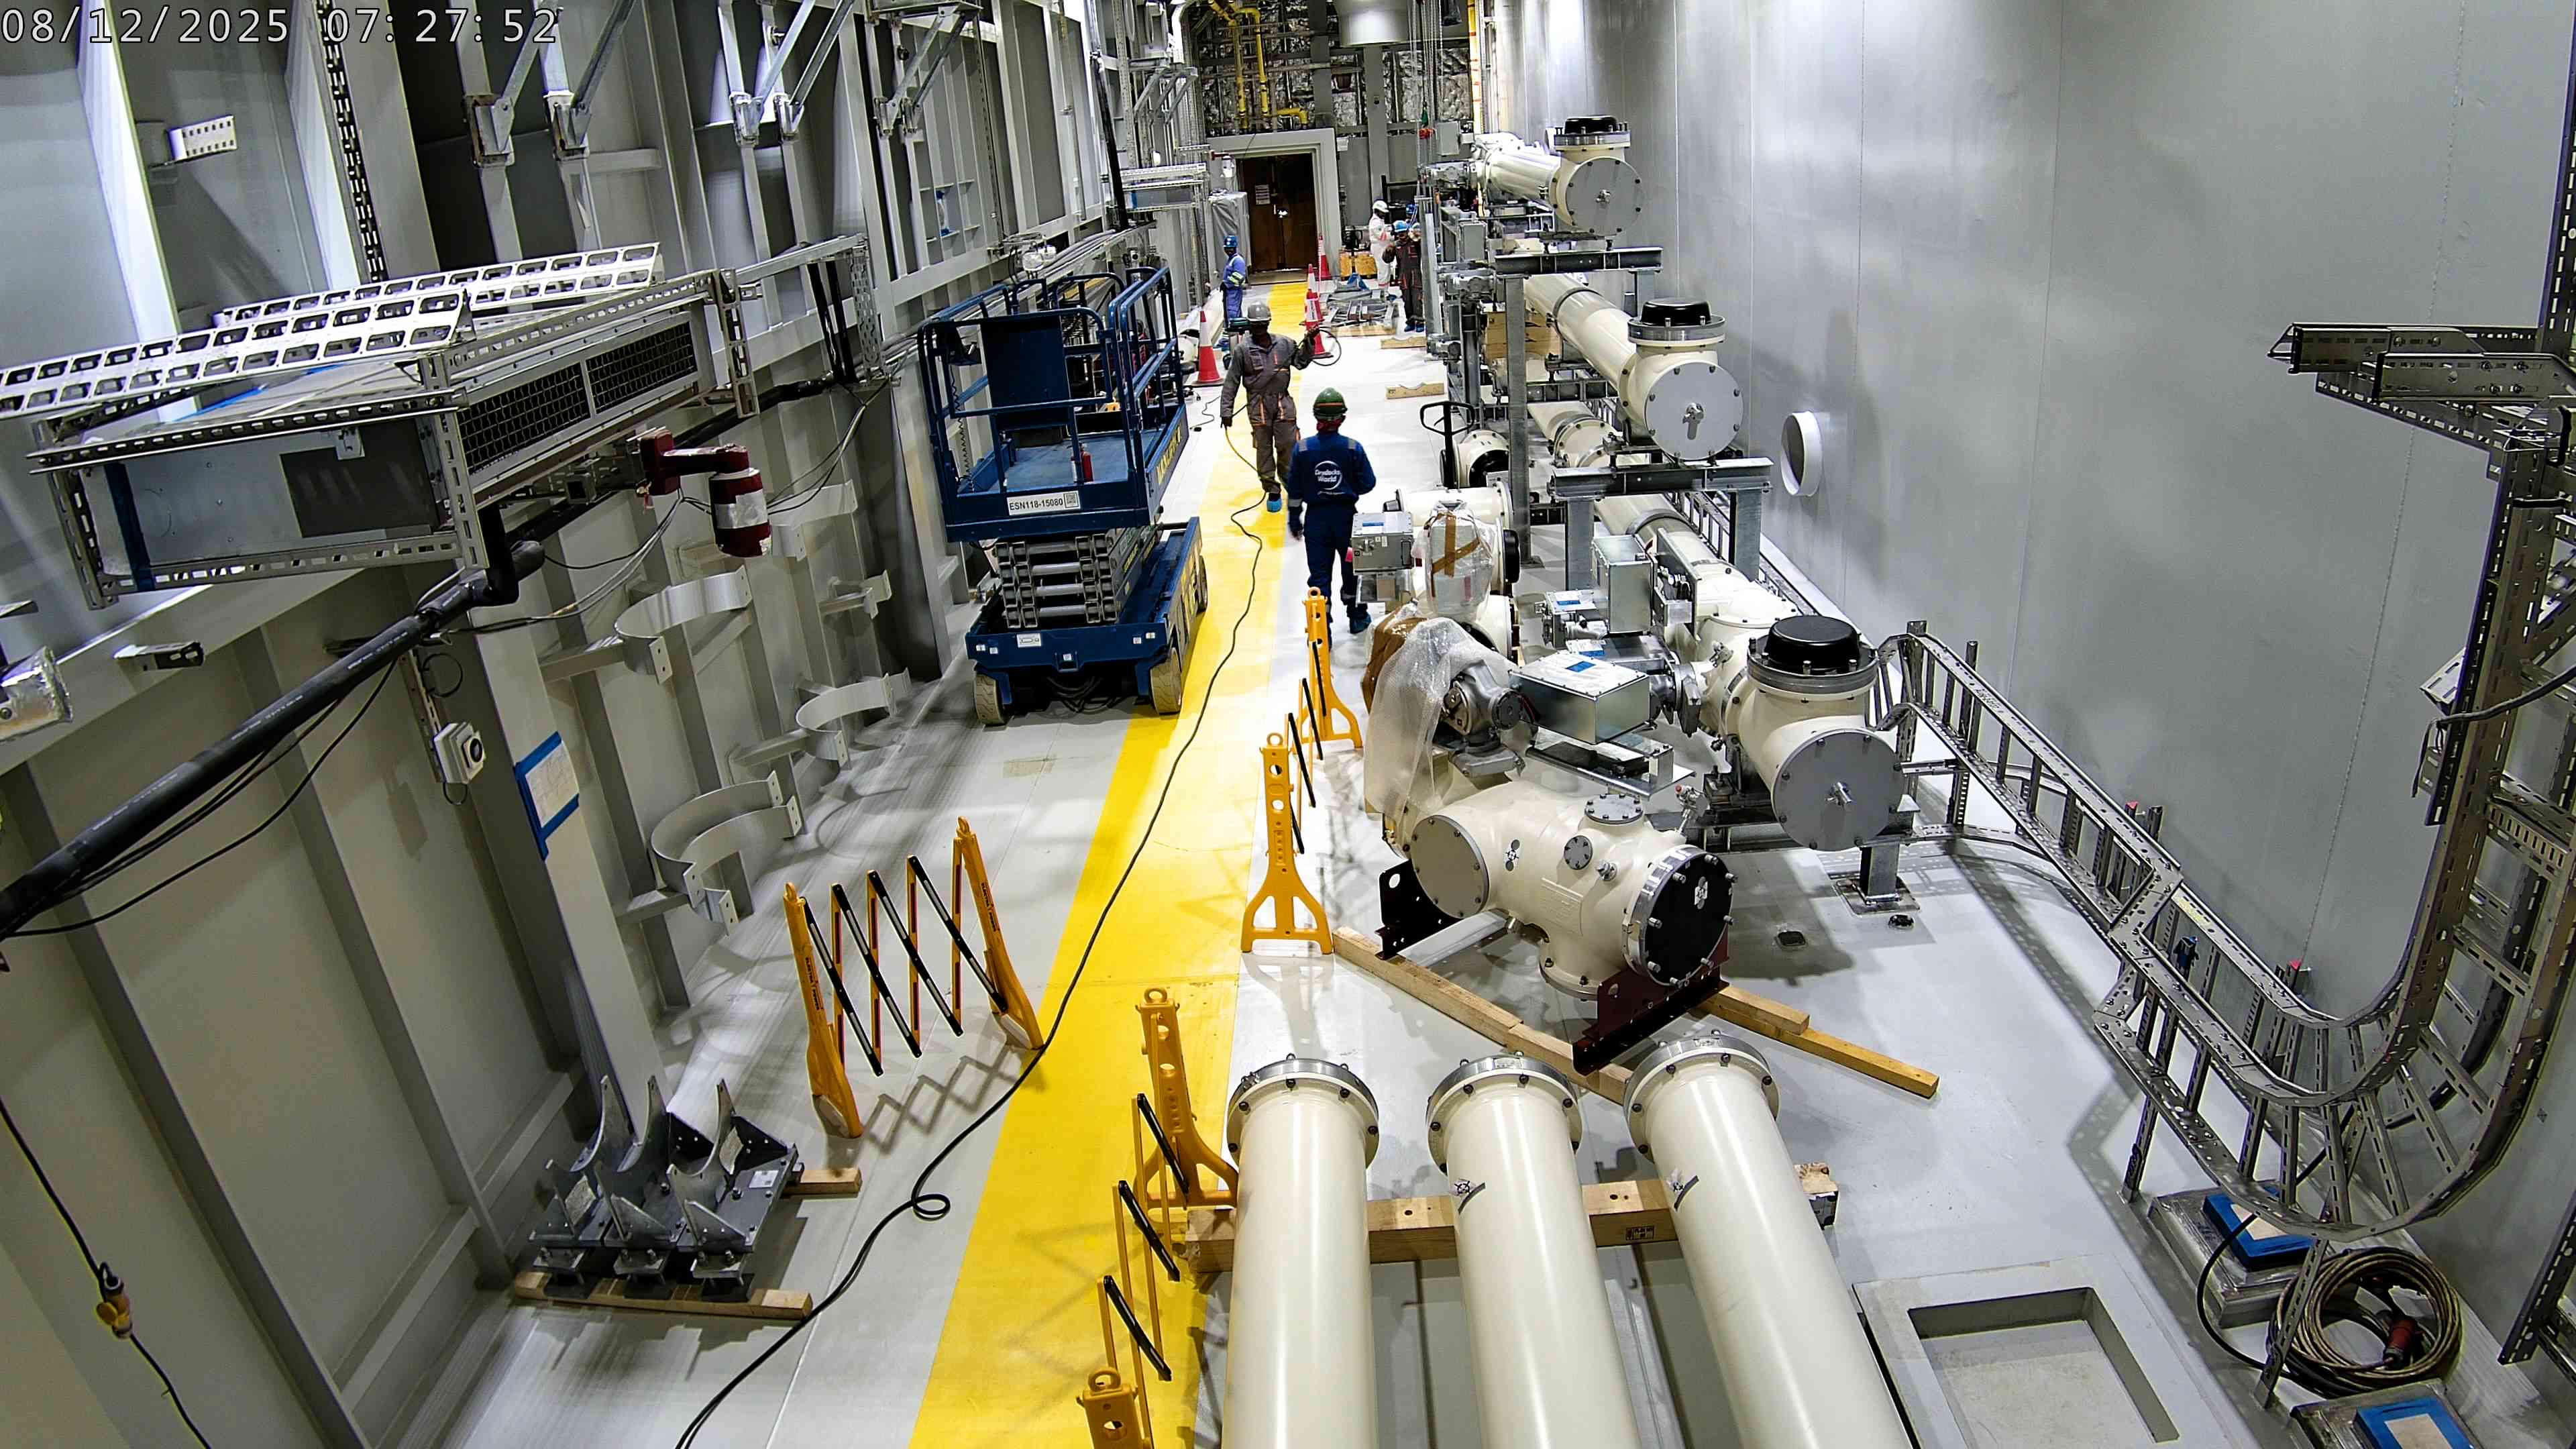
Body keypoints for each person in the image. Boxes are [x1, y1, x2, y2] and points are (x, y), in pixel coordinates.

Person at [1285, 388, 1379, 635]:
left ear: (1316, 416)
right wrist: (1348, 488)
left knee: (1319, 575)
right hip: (1347, 522)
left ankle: (1321, 626)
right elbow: (1369, 483)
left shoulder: (1303, 450)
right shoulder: (1353, 448)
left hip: (1317, 524)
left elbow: (1294, 489)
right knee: (1352, 568)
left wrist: (1294, 519)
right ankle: (1357, 616)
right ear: (1342, 418)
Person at [1219, 299, 1314, 511]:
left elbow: (1301, 362)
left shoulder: (1285, 344)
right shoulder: (1242, 351)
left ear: (1269, 323)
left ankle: (1293, 486)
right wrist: (1226, 411)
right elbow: (1232, 382)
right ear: (1250, 326)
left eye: (1263, 324)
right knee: (1264, 449)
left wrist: (1309, 342)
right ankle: (1272, 488)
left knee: (1289, 445)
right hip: (1258, 406)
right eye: (1256, 325)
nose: (1260, 329)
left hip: (1282, 402)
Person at [1221, 235, 1249, 326]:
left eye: (1231, 248)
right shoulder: (1231, 260)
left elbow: (1239, 277)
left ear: (1235, 248)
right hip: (1229, 293)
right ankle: (1237, 331)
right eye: (1227, 248)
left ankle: (1233, 332)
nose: (1229, 251)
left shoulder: (1238, 261)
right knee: (1232, 313)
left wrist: (1226, 284)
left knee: (1232, 313)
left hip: (1234, 292)